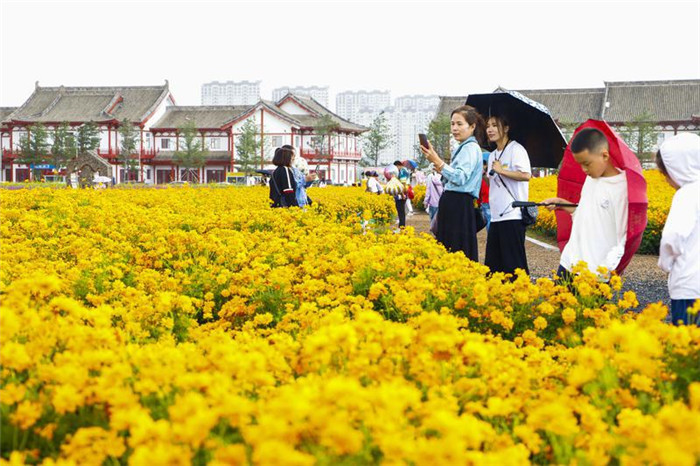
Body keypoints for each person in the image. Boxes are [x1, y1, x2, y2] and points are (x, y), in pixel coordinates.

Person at [542, 128, 628, 281]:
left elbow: (623, 239)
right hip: (569, 262)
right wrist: (561, 203)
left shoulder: (621, 188)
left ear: (604, 155)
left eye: (587, 164)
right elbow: (582, 213)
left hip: (594, 273)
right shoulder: (591, 178)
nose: (583, 169)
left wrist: (605, 270)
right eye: (580, 164)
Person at [421, 105, 485, 260]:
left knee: (455, 249)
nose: (454, 128)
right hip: (455, 202)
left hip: (459, 203)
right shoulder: (463, 147)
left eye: (459, 124)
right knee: (453, 247)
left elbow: (460, 178)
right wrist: (438, 163)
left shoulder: (470, 148)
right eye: (452, 124)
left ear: (472, 126)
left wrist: (439, 162)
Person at [655, 133, 700, 326]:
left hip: (689, 285)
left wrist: (665, 263)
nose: (666, 180)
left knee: (686, 349)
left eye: (666, 174)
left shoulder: (686, 195)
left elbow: (672, 238)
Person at [485, 114, 532, 275]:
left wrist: (501, 171)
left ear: (506, 128)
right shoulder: (492, 155)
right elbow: (494, 183)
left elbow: (526, 175)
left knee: (514, 263)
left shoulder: (516, 149)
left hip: (513, 214)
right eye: (488, 126)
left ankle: (521, 295)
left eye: (494, 125)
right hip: (496, 215)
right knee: (493, 264)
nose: (489, 129)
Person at [480, 152, 491, 231]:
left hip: (487, 201)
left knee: (489, 221)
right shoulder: (483, 176)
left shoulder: (485, 176)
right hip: (485, 202)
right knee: (489, 221)